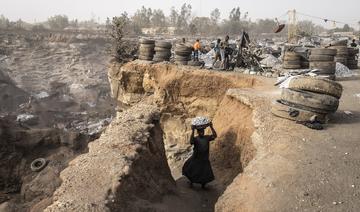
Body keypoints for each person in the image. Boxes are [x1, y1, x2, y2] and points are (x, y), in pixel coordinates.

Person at [182, 122, 217, 189]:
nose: (202, 132)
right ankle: (191, 182)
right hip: (196, 158)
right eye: (200, 131)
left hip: (204, 158)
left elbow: (214, 136)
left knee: (204, 173)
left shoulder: (207, 138)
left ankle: (203, 185)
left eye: (203, 131)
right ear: (198, 132)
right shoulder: (196, 139)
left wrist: (211, 127)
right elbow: (191, 142)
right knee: (191, 170)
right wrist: (192, 130)